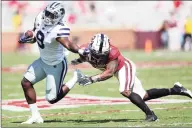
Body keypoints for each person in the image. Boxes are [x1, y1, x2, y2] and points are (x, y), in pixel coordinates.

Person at [71, 33, 192, 122]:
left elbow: (109, 72)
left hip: (123, 67)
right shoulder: (86, 49)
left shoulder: (113, 52)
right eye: (97, 53)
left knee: (125, 90)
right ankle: (176, 89)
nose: (100, 56)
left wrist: (91, 79)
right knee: (142, 96)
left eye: (103, 54)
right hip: (114, 70)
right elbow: (85, 56)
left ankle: (151, 115)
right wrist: (77, 61)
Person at [19, 2, 88, 124]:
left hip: (56, 65)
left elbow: (68, 44)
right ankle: (35, 116)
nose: (47, 17)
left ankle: (76, 77)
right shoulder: (40, 17)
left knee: (52, 99)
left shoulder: (59, 28)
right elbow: (36, 35)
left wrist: (80, 50)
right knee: (26, 82)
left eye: (52, 15)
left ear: (58, 17)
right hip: (43, 61)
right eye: (47, 13)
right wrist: (28, 38)